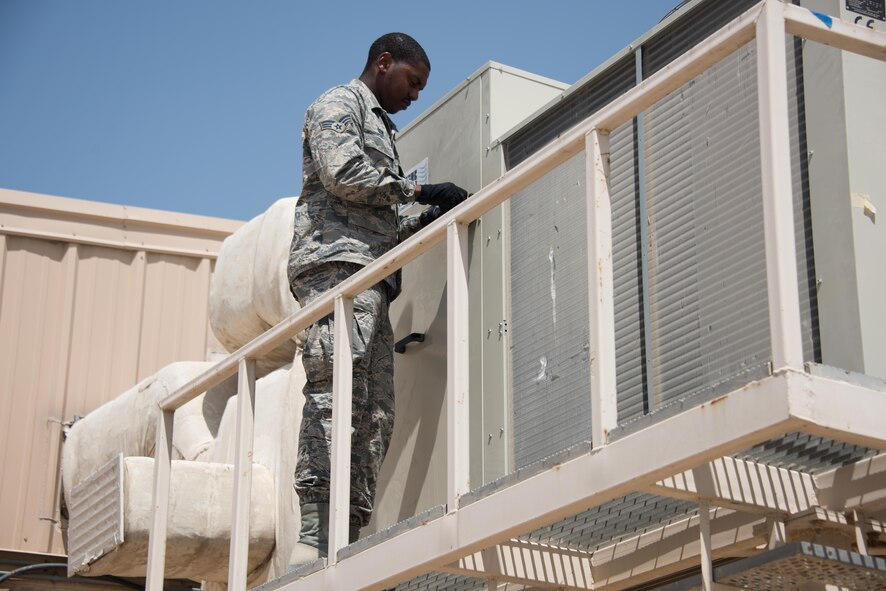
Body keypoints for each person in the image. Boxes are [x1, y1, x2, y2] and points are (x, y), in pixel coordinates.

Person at [286, 32, 469, 568]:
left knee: (375, 410)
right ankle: (315, 533)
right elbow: (343, 174)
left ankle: (348, 531)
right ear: (383, 63)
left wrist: (421, 221)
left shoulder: (385, 130)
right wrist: (416, 190)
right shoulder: (338, 105)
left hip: (370, 275)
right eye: (411, 82)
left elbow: (376, 220)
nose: (414, 97)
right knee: (335, 388)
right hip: (335, 272)